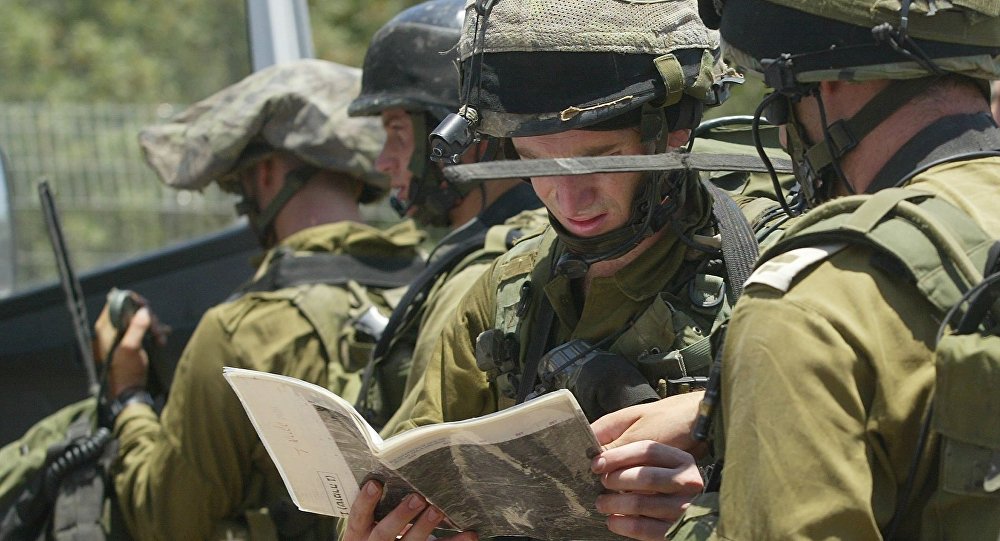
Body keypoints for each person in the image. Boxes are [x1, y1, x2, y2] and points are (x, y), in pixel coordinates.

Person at [342, 1, 790, 540]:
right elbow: (402, 469)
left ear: (672, 132)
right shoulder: (506, 296)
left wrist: (711, 502)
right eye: (536, 163)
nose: (569, 199)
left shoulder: (778, 269)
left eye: (600, 159)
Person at [590, 0, 1000, 538]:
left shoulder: (813, 300)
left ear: (828, 84)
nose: (785, 137)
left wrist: (707, 519)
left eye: (782, 104)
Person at [107, 59, 427, 540]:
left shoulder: (236, 332)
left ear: (266, 173)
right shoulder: (438, 288)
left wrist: (128, 398)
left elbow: (166, 522)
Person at [346, 0, 543, 431]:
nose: (383, 161)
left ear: (467, 135)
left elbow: (409, 450)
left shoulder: (477, 276)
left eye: (398, 132)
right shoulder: (522, 242)